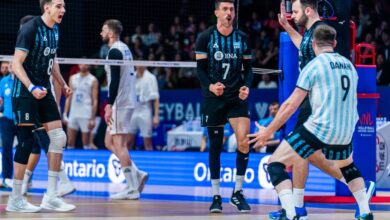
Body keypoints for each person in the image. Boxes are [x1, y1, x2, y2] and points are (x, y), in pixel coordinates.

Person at [249, 24, 374, 220]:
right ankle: (365, 212)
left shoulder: (313, 65)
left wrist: (268, 131)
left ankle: (291, 214)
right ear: (334, 43)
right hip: (346, 129)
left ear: (314, 44)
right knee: (347, 166)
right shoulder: (349, 65)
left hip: (320, 127)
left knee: (275, 163)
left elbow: (291, 104)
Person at [6, 0, 75, 213]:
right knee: (26, 142)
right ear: (47, 7)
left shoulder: (55, 30)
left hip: (43, 91)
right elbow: (15, 63)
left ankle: (51, 196)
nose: (63, 10)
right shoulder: (30, 29)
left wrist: (63, 84)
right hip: (25, 91)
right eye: (59, 6)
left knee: (58, 137)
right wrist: (31, 86)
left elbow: (51, 60)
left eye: (64, 6)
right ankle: (15, 199)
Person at [195, 0, 253, 213]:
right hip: (214, 97)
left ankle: (237, 193)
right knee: (216, 147)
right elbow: (200, 70)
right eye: (225, 9)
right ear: (217, 13)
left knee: (244, 142)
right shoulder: (205, 38)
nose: (229, 13)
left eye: (232, 9)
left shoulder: (243, 38)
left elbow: (248, 69)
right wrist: (211, 86)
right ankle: (216, 195)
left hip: (236, 96)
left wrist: (246, 86)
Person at [101, 19, 148, 200]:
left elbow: (114, 81)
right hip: (126, 100)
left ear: (111, 33)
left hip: (120, 102)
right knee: (108, 142)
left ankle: (131, 187)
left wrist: (109, 105)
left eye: (103, 30)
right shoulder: (124, 47)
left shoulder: (114, 50)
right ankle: (136, 173)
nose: (101, 33)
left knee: (120, 145)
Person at [63, 63, 99, 150]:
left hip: (86, 113)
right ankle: (70, 162)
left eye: (86, 64)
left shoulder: (93, 80)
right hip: (73, 113)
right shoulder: (72, 78)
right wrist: (65, 114)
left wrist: (93, 118)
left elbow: (95, 100)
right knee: (70, 142)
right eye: (82, 64)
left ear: (89, 66)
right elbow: (69, 97)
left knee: (86, 143)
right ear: (79, 65)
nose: (84, 66)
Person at [127, 64, 160, 151]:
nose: (140, 66)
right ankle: (128, 163)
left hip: (145, 110)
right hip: (133, 110)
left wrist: (156, 116)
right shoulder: (131, 76)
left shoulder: (151, 78)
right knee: (128, 141)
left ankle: (150, 163)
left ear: (145, 65)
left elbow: (156, 98)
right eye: (138, 64)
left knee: (147, 142)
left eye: (142, 64)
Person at [0, 63, 18, 189]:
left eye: (12, 64)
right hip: (6, 119)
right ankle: (6, 178)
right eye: (9, 64)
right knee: (6, 148)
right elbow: (0, 99)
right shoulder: (4, 81)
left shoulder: (24, 80)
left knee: (24, 149)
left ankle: (25, 180)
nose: (10, 66)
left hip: (21, 120)